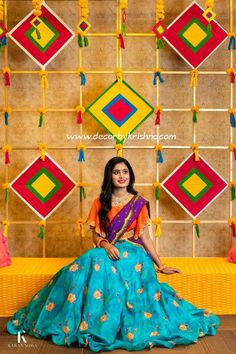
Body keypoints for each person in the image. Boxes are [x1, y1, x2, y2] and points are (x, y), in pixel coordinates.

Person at [7, 157, 220, 351]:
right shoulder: (99, 203)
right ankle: (74, 318)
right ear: (109, 175)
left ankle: (101, 323)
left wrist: (159, 264)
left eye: (125, 172)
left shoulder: (139, 203)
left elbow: (145, 237)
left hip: (134, 255)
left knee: (95, 260)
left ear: (130, 175)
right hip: (108, 249)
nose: (121, 176)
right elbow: (95, 238)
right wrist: (106, 245)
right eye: (116, 172)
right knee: (91, 258)